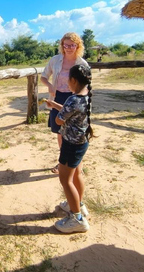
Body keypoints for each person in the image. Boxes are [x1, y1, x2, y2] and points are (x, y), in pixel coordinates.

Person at [45, 64, 94, 233]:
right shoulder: (86, 95)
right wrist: (56, 105)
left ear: (73, 80)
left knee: (65, 180)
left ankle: (77, 218)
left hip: (71, 144)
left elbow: (59, 121)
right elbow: (71, 111)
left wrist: (57, 111)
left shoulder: (73, 99)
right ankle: (78, 204)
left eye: (68, 80)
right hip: (81, 142)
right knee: (77, 175)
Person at [40, 32, 88, 174]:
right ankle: (63, 161)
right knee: (60, 131)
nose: (68, 48)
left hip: (74, 99)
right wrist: (49, 85)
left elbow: (87, 86)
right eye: (66, 45)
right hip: (58, 97)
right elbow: (44, 76)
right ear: (62, 45)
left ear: (77, 46)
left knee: (73, 132)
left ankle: (75, 162)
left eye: (72, 45)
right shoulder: (55, 60)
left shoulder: (82, 64)